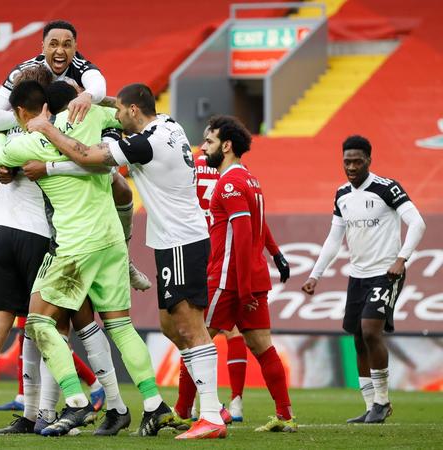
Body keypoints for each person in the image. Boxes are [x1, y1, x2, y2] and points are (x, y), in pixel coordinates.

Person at [26, 83, 229, 439]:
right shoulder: (169, 125)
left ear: (133, 111)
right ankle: (169, 407)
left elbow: (88, 157)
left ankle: (211, 413)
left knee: (189, 326)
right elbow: (120, 114)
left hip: (180, 240)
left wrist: (46, 129)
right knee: (170, 325)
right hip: (177, 240)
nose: (116, 116)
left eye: (120, 111)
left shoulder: (144, 144)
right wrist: (92, 97)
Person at [0, 80, 169, 438]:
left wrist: (5, 128)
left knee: (39, 322)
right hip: (112, 241)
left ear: (27, 112)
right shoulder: (92, 116)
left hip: (74, 247)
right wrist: (91, 97)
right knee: (120, 326)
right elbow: (121, 110)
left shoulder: (30, 140)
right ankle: (153, 404)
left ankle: (75, 402)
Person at [0, 73, 113, 437]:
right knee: (53, 329)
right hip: (43, 237)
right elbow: (98, 165)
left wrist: (1, 168)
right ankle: (45, 413)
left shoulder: (4, 137)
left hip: (4, 231)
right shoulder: (57, 133)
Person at [0, 20, 150, 293]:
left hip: (73, 150)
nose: (60, 50)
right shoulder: (26, 71)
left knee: (123, 192)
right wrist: (39, 122)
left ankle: (124, 259)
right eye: (53, 43)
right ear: (42, 46)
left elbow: (100, 93)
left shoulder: (86, 76)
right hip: (28, 144)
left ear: (75, 48)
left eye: (67, 44)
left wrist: (87, 97)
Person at [301, 135, 425, 424]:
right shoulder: (342, 194)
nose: (352, 166)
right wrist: (315, 275)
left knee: (371, 331)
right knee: (358, 337)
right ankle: (371, 405)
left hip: (386, 271)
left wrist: (401, 258)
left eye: (358, 161)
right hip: (357, 275)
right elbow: (334, 239)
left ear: (369, 160)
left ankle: (382, 402)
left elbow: (417, 223)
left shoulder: (387, 188)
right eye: (347, 161)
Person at [175, 147, 291, 423]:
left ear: (224, 145)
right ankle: (283, 414)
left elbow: (243, 230)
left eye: (210, 139)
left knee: (195, 337)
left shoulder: (225, 180)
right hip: (242, 268)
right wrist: (274, 253)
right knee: (259, 344)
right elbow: (257, 223)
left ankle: (184, 409)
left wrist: (243, 286)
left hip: (223, 268)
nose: (205, 145)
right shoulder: (248, 178)